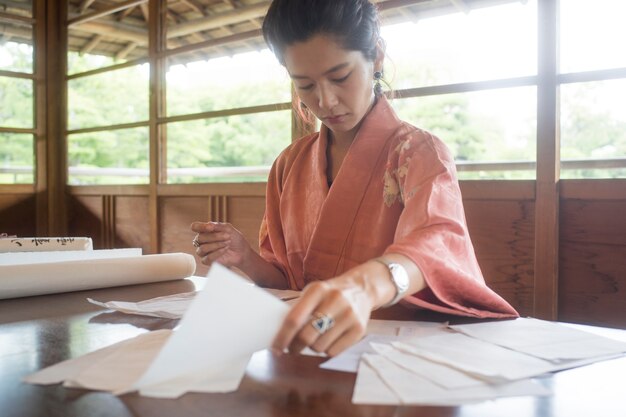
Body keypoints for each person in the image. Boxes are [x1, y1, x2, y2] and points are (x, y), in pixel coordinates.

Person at [191, 0, 518, 357]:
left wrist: (364, 286)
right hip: (311, 352)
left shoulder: (418, 152)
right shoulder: (289, 165)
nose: (325, 101)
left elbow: (438, 242)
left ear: (376, 56)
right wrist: (246, 258)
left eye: (340, 77)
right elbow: (290, 284)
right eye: (305, 85)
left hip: (402, 355)